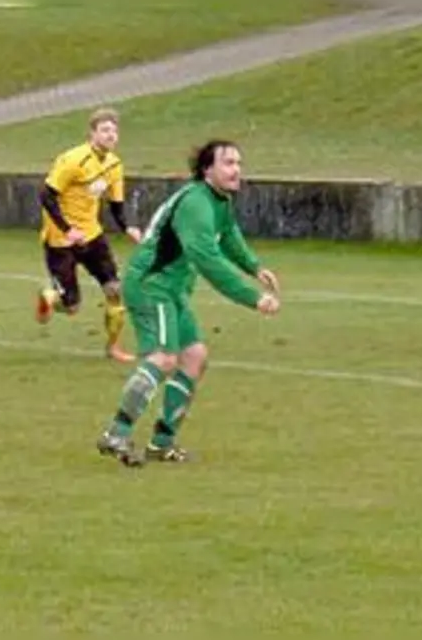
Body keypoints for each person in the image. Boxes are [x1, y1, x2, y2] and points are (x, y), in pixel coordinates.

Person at [96, 140, 280, 467]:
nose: (236, 169)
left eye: (238, 162)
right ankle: (116, 433)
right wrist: (253, 297)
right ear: (207, 170)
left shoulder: (218, 201)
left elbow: (229, 234)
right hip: (152, 285)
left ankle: (161, 443)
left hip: (173, 288)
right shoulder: (196, 202)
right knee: (164, 358)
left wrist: (254, 266)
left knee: (194, 357)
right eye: (228, 163)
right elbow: (207, 259)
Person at [35, 108, 143, 362]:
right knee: (71, 306)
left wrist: (128, 227)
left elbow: (116, 204)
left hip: (92, 236)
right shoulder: (73, 160)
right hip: (61, 240)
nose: (111, 135)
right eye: (105, 130)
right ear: (92, 133)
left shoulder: (114, 165)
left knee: (115, 289)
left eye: (114, 131)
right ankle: (50, 298)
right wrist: (67, 229)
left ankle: (114, 347)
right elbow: (46, 194)